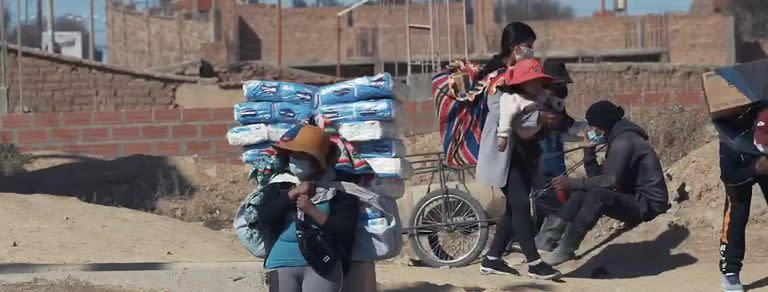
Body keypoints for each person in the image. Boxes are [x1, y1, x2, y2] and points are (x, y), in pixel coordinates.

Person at [546, 100, 670, 266]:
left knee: (597, 195)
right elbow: (599, 179)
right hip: (633, 198)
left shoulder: (625, 141)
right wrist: (589, 153)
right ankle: (547, 239)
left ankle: (565, 249)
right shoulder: (619, 138)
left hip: (649, 205)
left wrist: (572, 183)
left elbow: (609, 182)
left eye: (593, 127)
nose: (592, 132)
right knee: (583, 192)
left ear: (602, 126)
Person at [476, 57, 563, 280]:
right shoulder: (503, 95)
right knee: (522, 205)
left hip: (523, 158)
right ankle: (534, 263)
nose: (535, 86)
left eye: (538, 81)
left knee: (514, 209)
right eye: (531, 81)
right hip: (505, 160)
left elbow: (542, 127)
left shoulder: (538, 100)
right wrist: (539, 117)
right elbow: (506, 119)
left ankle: (492, 259)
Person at [257, 125, 359, 292]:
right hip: (280, 264)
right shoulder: (277, 187)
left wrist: (313, 211)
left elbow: (345, 228)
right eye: (293, 155)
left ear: (317, 163)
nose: (294, 160)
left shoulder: (339, 192)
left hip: (322, 265)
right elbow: (265, 217)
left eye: (301, 156)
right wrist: (292, 194)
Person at [717, 108, 768, 292]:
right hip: (740, 158)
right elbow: (730, 176)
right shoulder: (732, 145)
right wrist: (755, 169)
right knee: (738, 209)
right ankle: (730, 272)